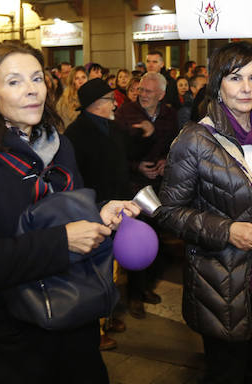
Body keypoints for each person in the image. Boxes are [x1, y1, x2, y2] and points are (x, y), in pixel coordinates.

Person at [0, 40, 139, 383]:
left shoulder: (61, 148)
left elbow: (67, 216)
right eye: (14, 82)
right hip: (5, 344)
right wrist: (61, 242)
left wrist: (100, 214)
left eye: (36, 79)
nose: (31, 90)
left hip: (72, 326)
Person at [154, 42, 252, 384]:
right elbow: (168, 212)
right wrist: (226, 230)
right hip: (223, 281)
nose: (246, 87)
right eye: (235, 77)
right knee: (228, 372)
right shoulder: (195, 140)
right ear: (218, 84)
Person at [64, 77, 155, 350]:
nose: (115, 103)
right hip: (93, 210)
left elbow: (128, 150)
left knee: (112, 270)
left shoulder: (112, 127)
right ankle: (95, 328)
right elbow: (73, 176)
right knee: (95, 271)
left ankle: (108, 313)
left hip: (118, 206)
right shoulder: (75, 134)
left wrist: (146, 134)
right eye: (109, 99)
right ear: (95, 104)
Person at [114, 71, 178, 318]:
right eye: (141, 90)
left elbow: (174, 144)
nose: (142, 95)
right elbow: (117, 152)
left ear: (161, 94)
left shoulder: (169, 114)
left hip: (159, 184)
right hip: (134, 185)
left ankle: (147, 287)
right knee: (137, 239)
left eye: (149, 92)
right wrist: (137, 166)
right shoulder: (125, 113)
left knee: (157, 238)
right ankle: (134, 295)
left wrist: (165, 161)